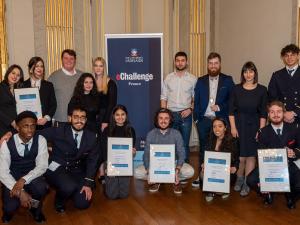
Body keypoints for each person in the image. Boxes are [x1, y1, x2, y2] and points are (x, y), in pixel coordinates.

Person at [39, 106, 99, 212]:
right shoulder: (58, 130)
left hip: (76, 169)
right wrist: (12, 134)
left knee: (83, 203)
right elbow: (36, 135)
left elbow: (92, 161)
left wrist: (88, 183)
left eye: (82, 117)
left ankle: (70, 191)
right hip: (57, 166)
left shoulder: (91, 136)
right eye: (76, 117)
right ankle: (59, 202)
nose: (79, 120)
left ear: (86, 120)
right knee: (68, 186)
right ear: (69, 118)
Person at [246, 101, 300, 209]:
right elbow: (260, 154)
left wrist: (294, 153)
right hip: (269, 165)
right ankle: (267, 193)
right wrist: (280, 153)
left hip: (289, 164)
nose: (276, 114)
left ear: (284, 113)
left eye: (279, 111)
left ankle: (291, 197)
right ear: (268, 115)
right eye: (272, 112)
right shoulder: (262, 132)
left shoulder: (294, 129)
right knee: (250, 180)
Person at [193, 52, 234, 188]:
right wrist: (197, 119)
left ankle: (219, 177)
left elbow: (232, 101)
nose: (213, 66)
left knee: (222, 148)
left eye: (216, 63)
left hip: (220, 120)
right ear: (207, 65)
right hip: (204, 120)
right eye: (210, 63)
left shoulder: (228, 80)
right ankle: (202, 176)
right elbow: (196, 101)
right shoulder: (200, 80)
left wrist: (220, 106)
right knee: (204, 148)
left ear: (220, 64)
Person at [0, 111, 48, 223]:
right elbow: (2, 172)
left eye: (32, 126)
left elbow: (42, 166)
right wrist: (21, 192)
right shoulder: (7, 143)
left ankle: (35, 209)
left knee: (42, 188)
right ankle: (7, 212)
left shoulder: (41, 140)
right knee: (10, 206)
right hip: (12, 178)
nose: (30, 130)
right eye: (25, 126)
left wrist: (24, 179)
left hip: (32, 175)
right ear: (17, 127)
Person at [229, 61, 268, 196]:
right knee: (240, 156)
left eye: (251, 71)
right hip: (239, 125)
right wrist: (233, 128)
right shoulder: (236, 89)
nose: (248, 74)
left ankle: (247, 181)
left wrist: (261, 130)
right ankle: (239, 179)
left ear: (255, 73)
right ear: (242, 74)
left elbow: (264, 112)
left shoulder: (262, 89)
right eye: (245, 71)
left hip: (255, 126)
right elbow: (231, 111)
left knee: (251, 155)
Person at [134, 108, 194, 194]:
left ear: (170, 120)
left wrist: (177, 169)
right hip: (155, 165)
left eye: (166, 118)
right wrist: (148, 170)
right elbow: (146, 155)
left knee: (190, 171)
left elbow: (181, 153)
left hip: (173, 164)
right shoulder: (151, 134)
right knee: (137, 172)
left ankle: (175, 179)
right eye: (161, 118)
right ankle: (157, 180)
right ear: (157, 120)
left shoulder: (176, 133)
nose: (163, 121)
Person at [161, 51, 197, 164]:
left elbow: (196, 99)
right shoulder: (168, 78)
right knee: (170, 144)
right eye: (178, 60)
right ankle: (170, 171)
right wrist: (164, 114)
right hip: (170, 115)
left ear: (186, 62)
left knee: (184, 144)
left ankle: (184, 173)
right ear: (174, 62)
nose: (180, 63)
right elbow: (163, 97)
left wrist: (190, 109)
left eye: (182, 60)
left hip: (185, 115)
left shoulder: (193, 79)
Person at [100, 105, 136, 199]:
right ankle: (105, 183)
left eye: (122, 114)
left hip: (125, 164)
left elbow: (132, 149)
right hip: (111, 164)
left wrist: (133, 151)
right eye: (117, 115)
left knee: (124, 195)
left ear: (126, 115)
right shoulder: (107, 130)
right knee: (112, 196)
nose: (120, 117)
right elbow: (104, 150)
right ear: (113, 116)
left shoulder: (131, 130)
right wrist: (107, 166)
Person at [200, 117, 239, 202]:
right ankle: (210, 191)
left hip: (226, 172)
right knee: (202, 174)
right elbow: (203, 156)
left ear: (225, 128)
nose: (217, 129)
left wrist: (234, 168)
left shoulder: (233, 141)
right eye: (214, 126)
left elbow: (237, 160)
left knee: (220, 192)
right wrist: (203, 163)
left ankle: (220, 190)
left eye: (220, 126)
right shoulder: (209, 139)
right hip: (212, 171)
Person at [268, 44, 300, 126]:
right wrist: (284, 113)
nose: (289, 58)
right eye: (286, 55)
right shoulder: (276, 75)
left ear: (298, 56)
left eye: (292, 55)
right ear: (283, 58)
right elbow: (272, 97)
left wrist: (294, 112)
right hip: (281, 118)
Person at [22, 56, 57, 129]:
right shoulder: (22, 85)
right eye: (37, 66)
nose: (40, 68)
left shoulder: (49, 85)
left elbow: (53, 105)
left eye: (41, 66)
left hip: (44, 125)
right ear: (31, 69)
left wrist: (46, 118)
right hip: (27, 125)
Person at [48, 49, 82, 122]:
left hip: (78, 121)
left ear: (75, 60)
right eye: (66, 58)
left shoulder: (82, 76)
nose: (68, 61)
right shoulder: (53, 77)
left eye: (71, 58)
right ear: (62, 60)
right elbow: (48, 99)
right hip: (59, 120)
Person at [92, 57, 117, 132]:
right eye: (96, 65)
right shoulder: (90, 82)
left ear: (104, 68)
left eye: (101, 66)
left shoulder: (111, 83)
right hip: (91, 119)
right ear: (93, 68)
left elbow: (112, 104)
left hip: (105, 118)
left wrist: (105, 121)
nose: (98, 68)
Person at [0, 65, 24, 137]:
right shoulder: (1, 87)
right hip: (3, 126)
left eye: (18, 75)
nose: (15, 76)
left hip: (16, 127)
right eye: (13, 73)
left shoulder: (19, 90)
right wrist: (11, 121)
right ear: (8, 73)